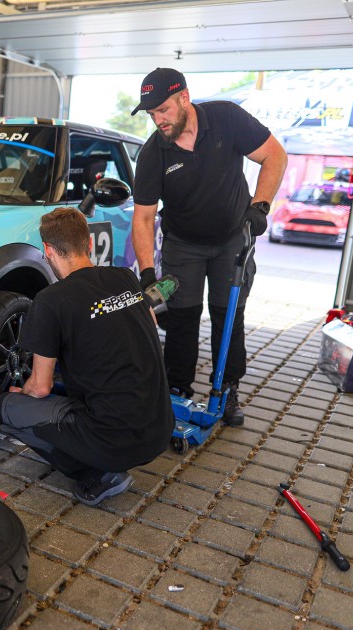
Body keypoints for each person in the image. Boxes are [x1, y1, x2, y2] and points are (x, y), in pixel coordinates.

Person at [130, 68, 286, 426]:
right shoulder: (154, 153)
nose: (158, 120)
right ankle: (177, 389)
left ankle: (227, 389)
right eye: (152, 114)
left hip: (232, 239)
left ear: (184, 98)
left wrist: (260, 205)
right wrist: (148, 272)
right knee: (181, 318)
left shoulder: (226, 119)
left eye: (163, 109)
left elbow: (275, 156)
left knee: (228, 314)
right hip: (182, 244)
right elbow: (143, 218)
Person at [0, 207, 174, 507]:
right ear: (89, 243)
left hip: (114, 443)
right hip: (160, 429)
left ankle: (98, 475)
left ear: (48, 250)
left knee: (5, 408)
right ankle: (98, 453)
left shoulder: (51, 300)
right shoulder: (126, 277)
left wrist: (19, 393)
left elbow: (41, 388)